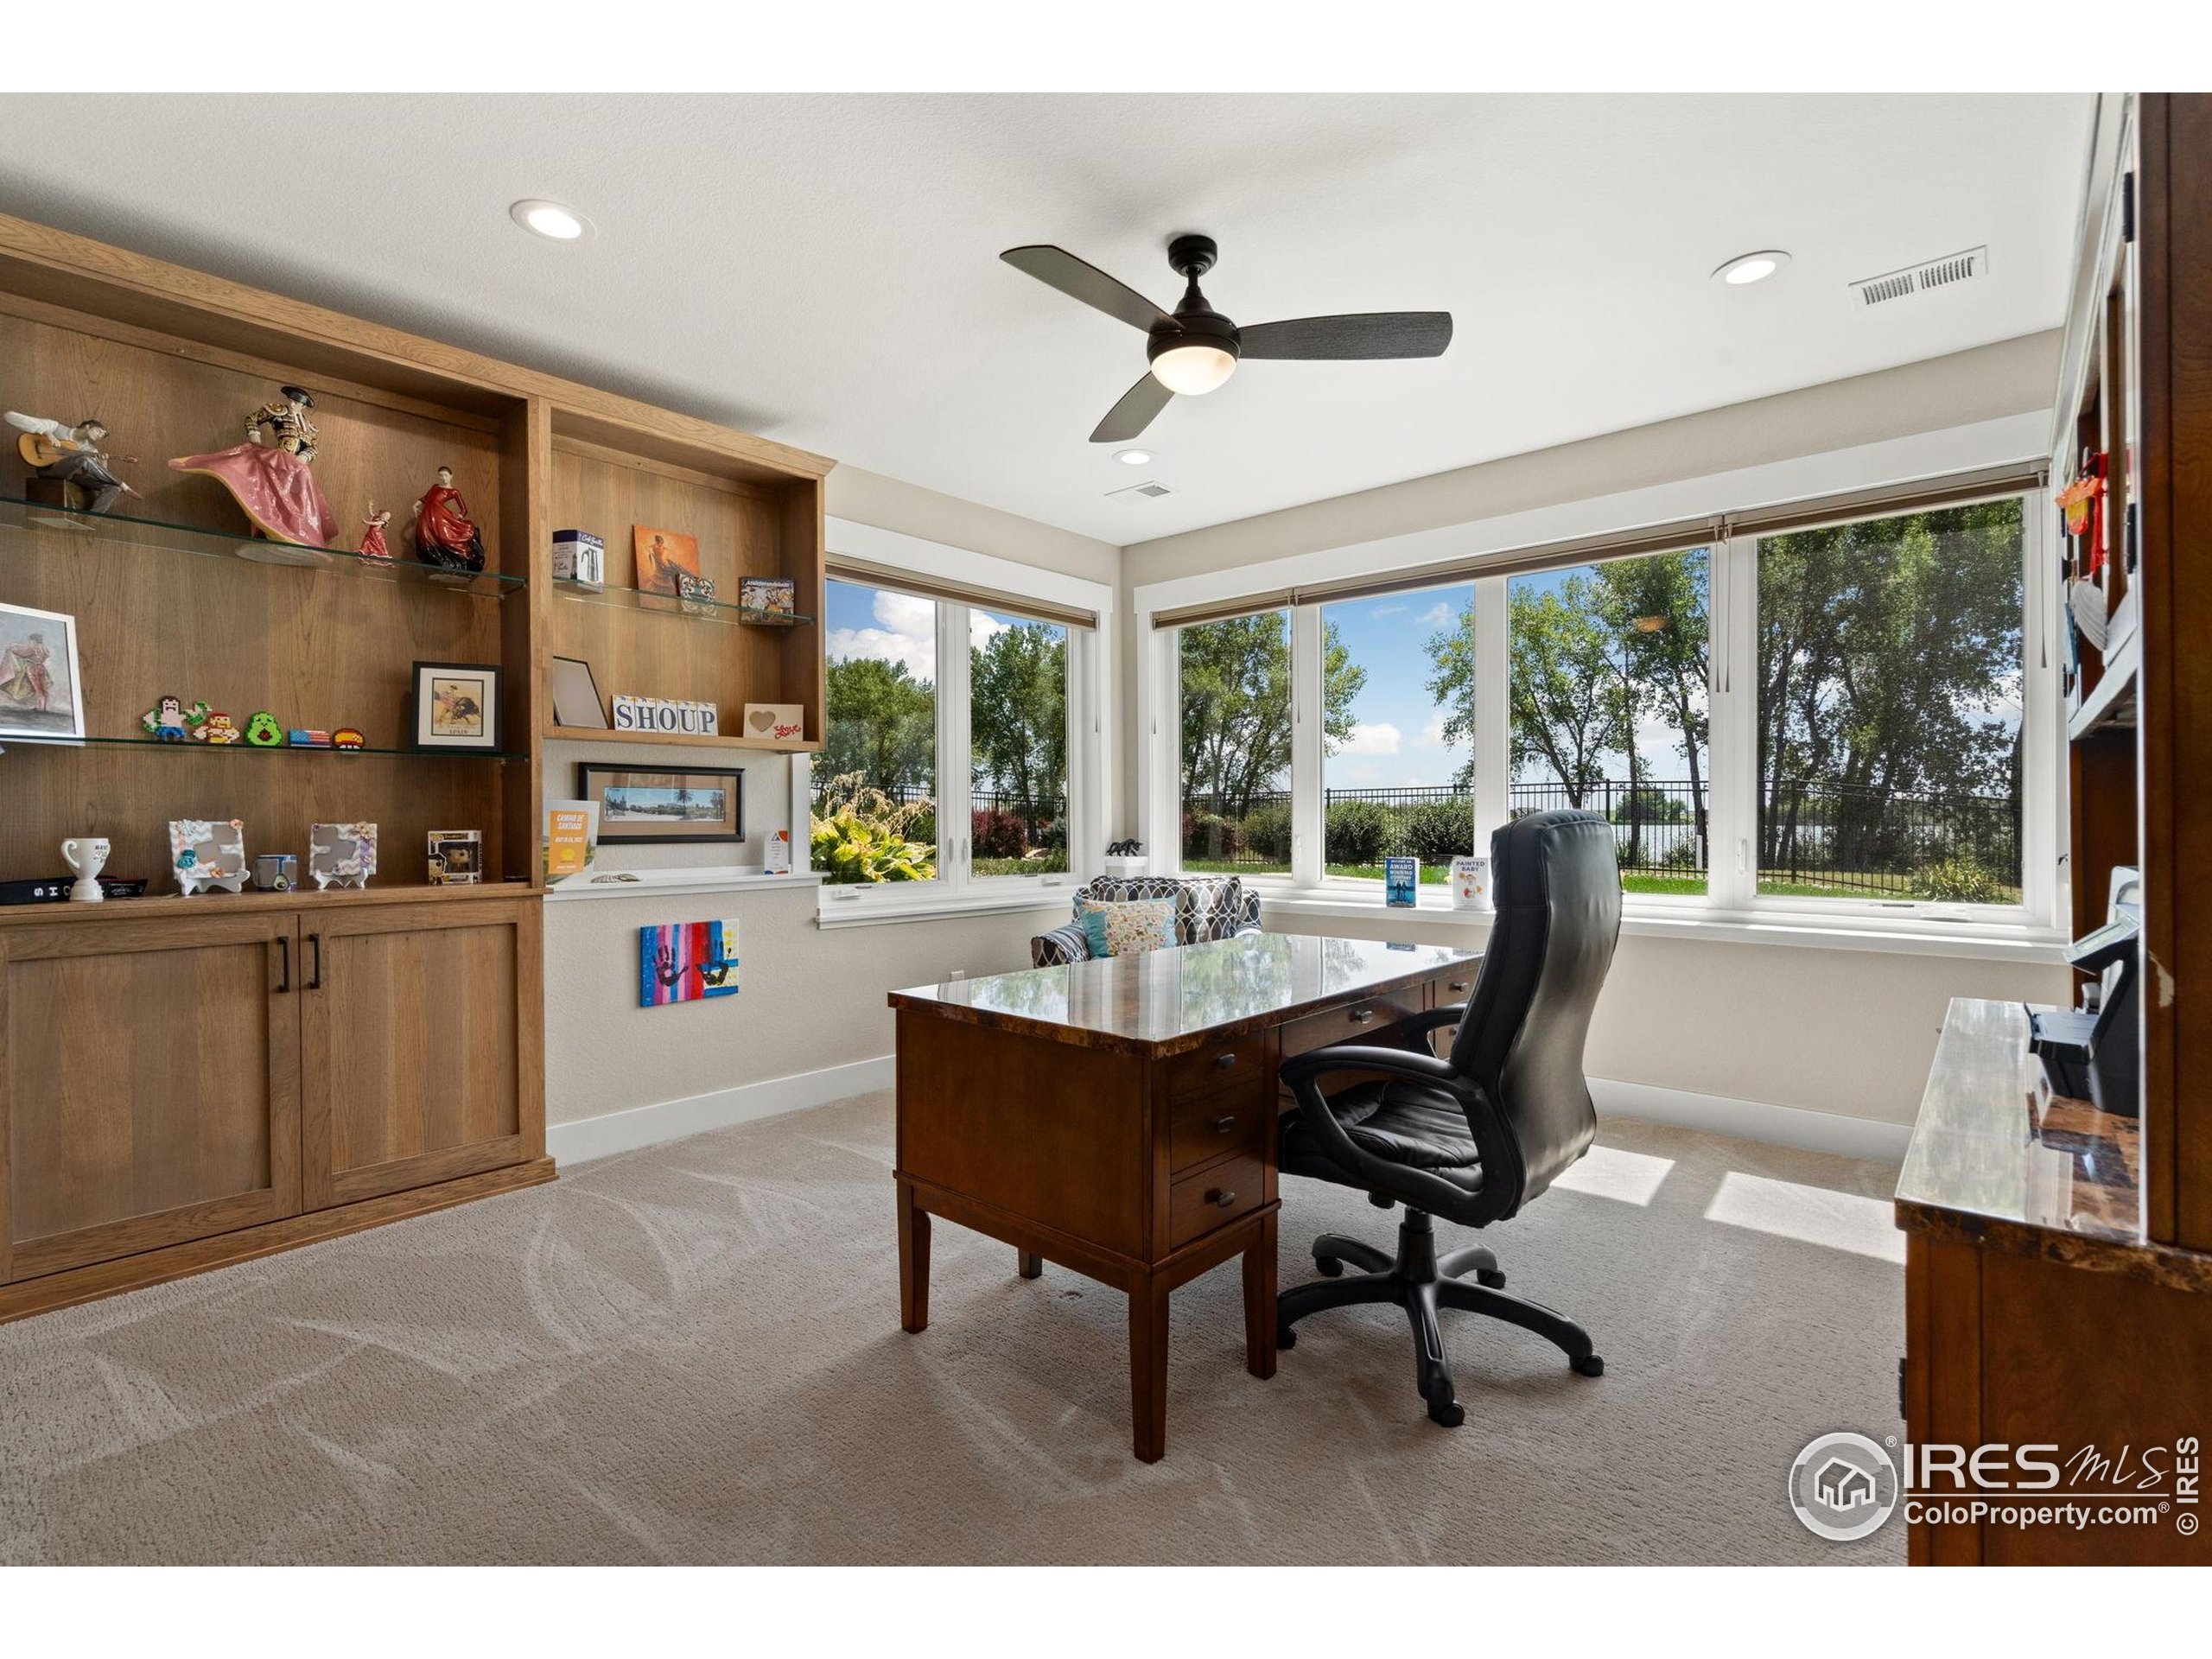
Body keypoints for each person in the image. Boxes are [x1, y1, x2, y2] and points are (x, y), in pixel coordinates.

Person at [169, 385, 338, 548]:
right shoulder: (279, 411)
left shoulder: (309, 426)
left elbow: (313, 447)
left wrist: (305, 455)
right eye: (292, 400)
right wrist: (254, 433)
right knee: (270, 493)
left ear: (303, 406)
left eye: (297, 403)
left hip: (296, 465)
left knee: (302, 492)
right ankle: (275, 528)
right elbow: (252, 419)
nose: (293, 404)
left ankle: (298, 530)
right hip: (278, 460)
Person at [5, 410, 135, 512]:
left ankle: (91, 520)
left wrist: (104, 465)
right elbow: (10, 416)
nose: (100, 436)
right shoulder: (56, 427)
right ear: (88, 426)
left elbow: (87, 477)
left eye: (102, 436)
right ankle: (123, 485)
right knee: (84, 458)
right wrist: (47, 433)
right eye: (99, 431)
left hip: (68, 475)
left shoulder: (91, 450)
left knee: (113, 489)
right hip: (48, 470)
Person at [410, 465, 486, 571]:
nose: (443, 478)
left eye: (446, 475)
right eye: (441, 476)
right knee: (425, 535)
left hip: (440, 516)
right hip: (427, 515)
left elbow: (464, 509)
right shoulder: (435, 487)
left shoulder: (454, 492)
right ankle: (435, 561)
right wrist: (415, 505)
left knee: (444, 538)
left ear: (451, 476)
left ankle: (456, 560)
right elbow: (426, 498)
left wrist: (457, 518)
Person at [0, 630, 54, 712]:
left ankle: (41, 708)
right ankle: (42, 707)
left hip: (32, 669)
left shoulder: (32, 649)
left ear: (34, 640)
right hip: (42, 669)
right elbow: (46, 655)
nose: (30, 642)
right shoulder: (45, 649)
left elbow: (21, 653)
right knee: (43, 688)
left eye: (31, 641)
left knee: (38, 688)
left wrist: (11, 649)